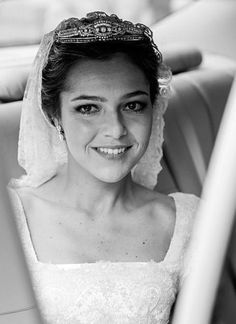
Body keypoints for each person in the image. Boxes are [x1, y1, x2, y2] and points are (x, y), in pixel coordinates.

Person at [8, 11, 199, 324]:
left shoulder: (187, 221)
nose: (116, 129)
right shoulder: (11, 218)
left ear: (155, 106)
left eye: (133, 105)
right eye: (87, 108)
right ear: (54, 116)